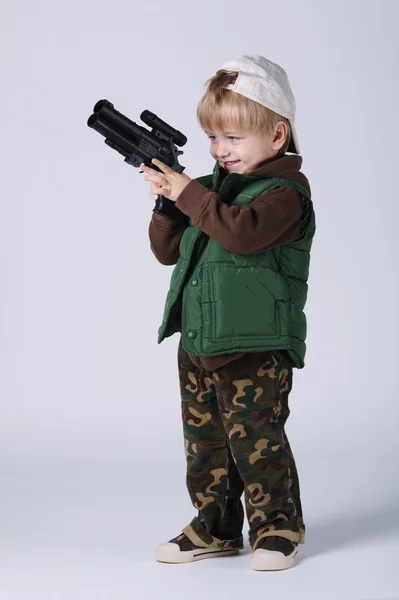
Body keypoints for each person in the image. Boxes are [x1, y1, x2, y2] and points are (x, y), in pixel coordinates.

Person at [141, 55, 316, 571]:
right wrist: (167, 207)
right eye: (214, 138)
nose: (220, 150)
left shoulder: (286, 197)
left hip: (255, 347)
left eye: (234, 138)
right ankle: (215, 526)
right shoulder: (210, 191)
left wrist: (190, 196)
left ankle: (277, 526)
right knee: (206, 444)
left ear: (277, 134)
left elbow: (243, 233)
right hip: (199, 342)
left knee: (257, 440)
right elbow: (167, 252)